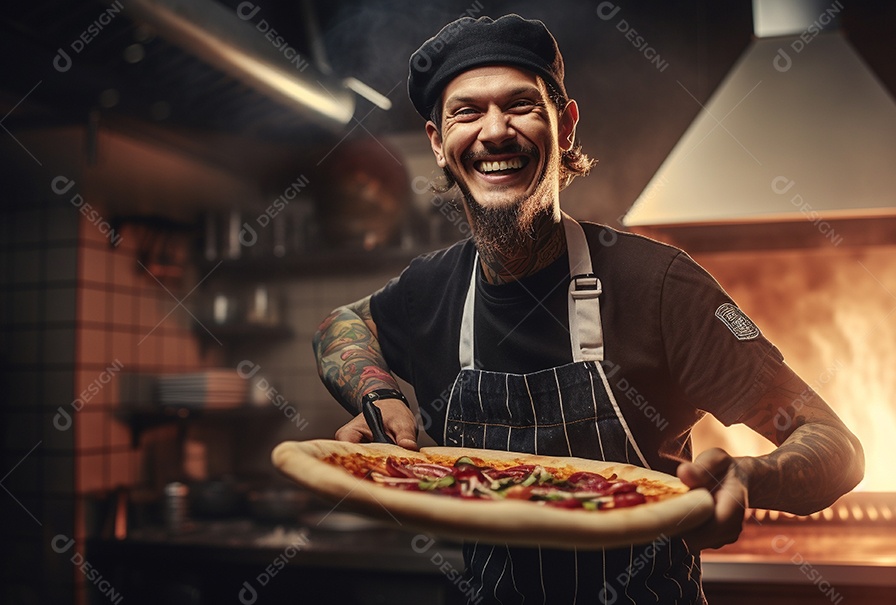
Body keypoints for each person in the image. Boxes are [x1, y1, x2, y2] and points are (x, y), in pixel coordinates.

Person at [314, 13, 863, 604]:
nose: (494, 131)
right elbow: (341, 323)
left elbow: (834, 442)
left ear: (567, 126)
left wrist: (751, 478)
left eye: (520, 105)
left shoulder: (661, 286)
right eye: (466, 112)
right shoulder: (430, 289)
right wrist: (378, 394)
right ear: (437, 144)